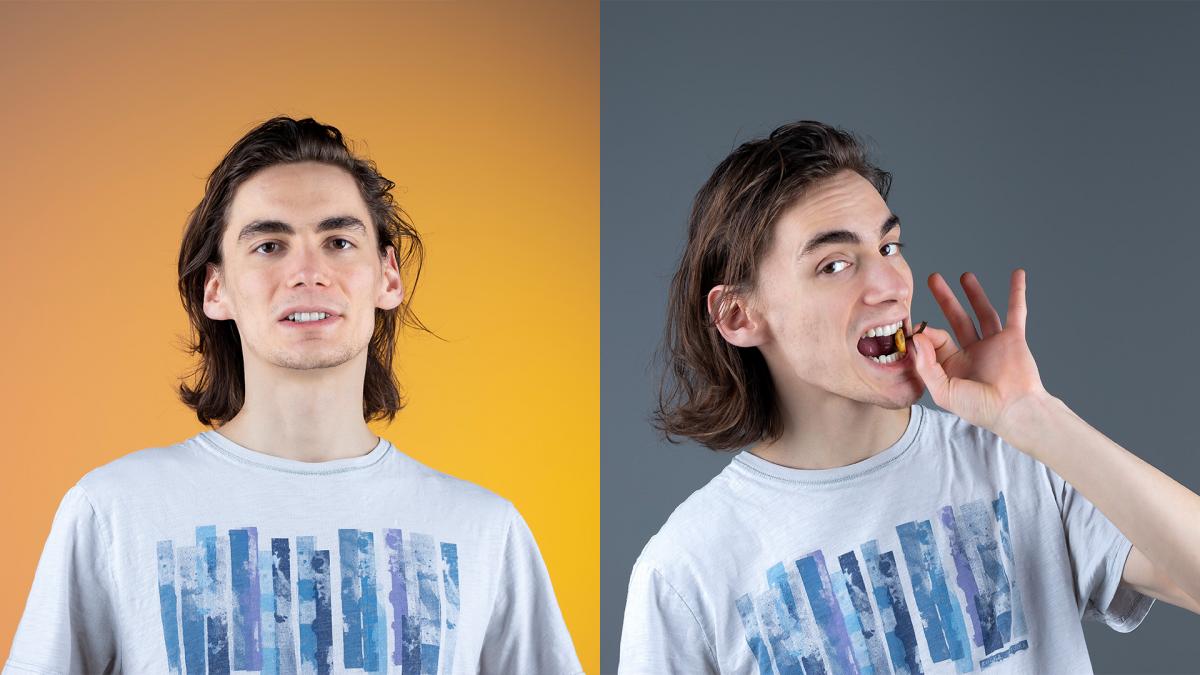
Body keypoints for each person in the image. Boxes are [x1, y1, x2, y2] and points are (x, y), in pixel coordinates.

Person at [4, 117, 583, 675]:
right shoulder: (113, 512)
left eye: (337, 241)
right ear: (216, 288)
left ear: (388, 276)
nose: (308, 271)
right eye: (269, 246)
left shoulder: (484, 529)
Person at [618, 120, 1200, 673]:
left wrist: (1036, 419)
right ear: (738, 315)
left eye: (889, 247)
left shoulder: (1020, 461)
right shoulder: (685, 571)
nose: (890, 285)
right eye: (835, 264)